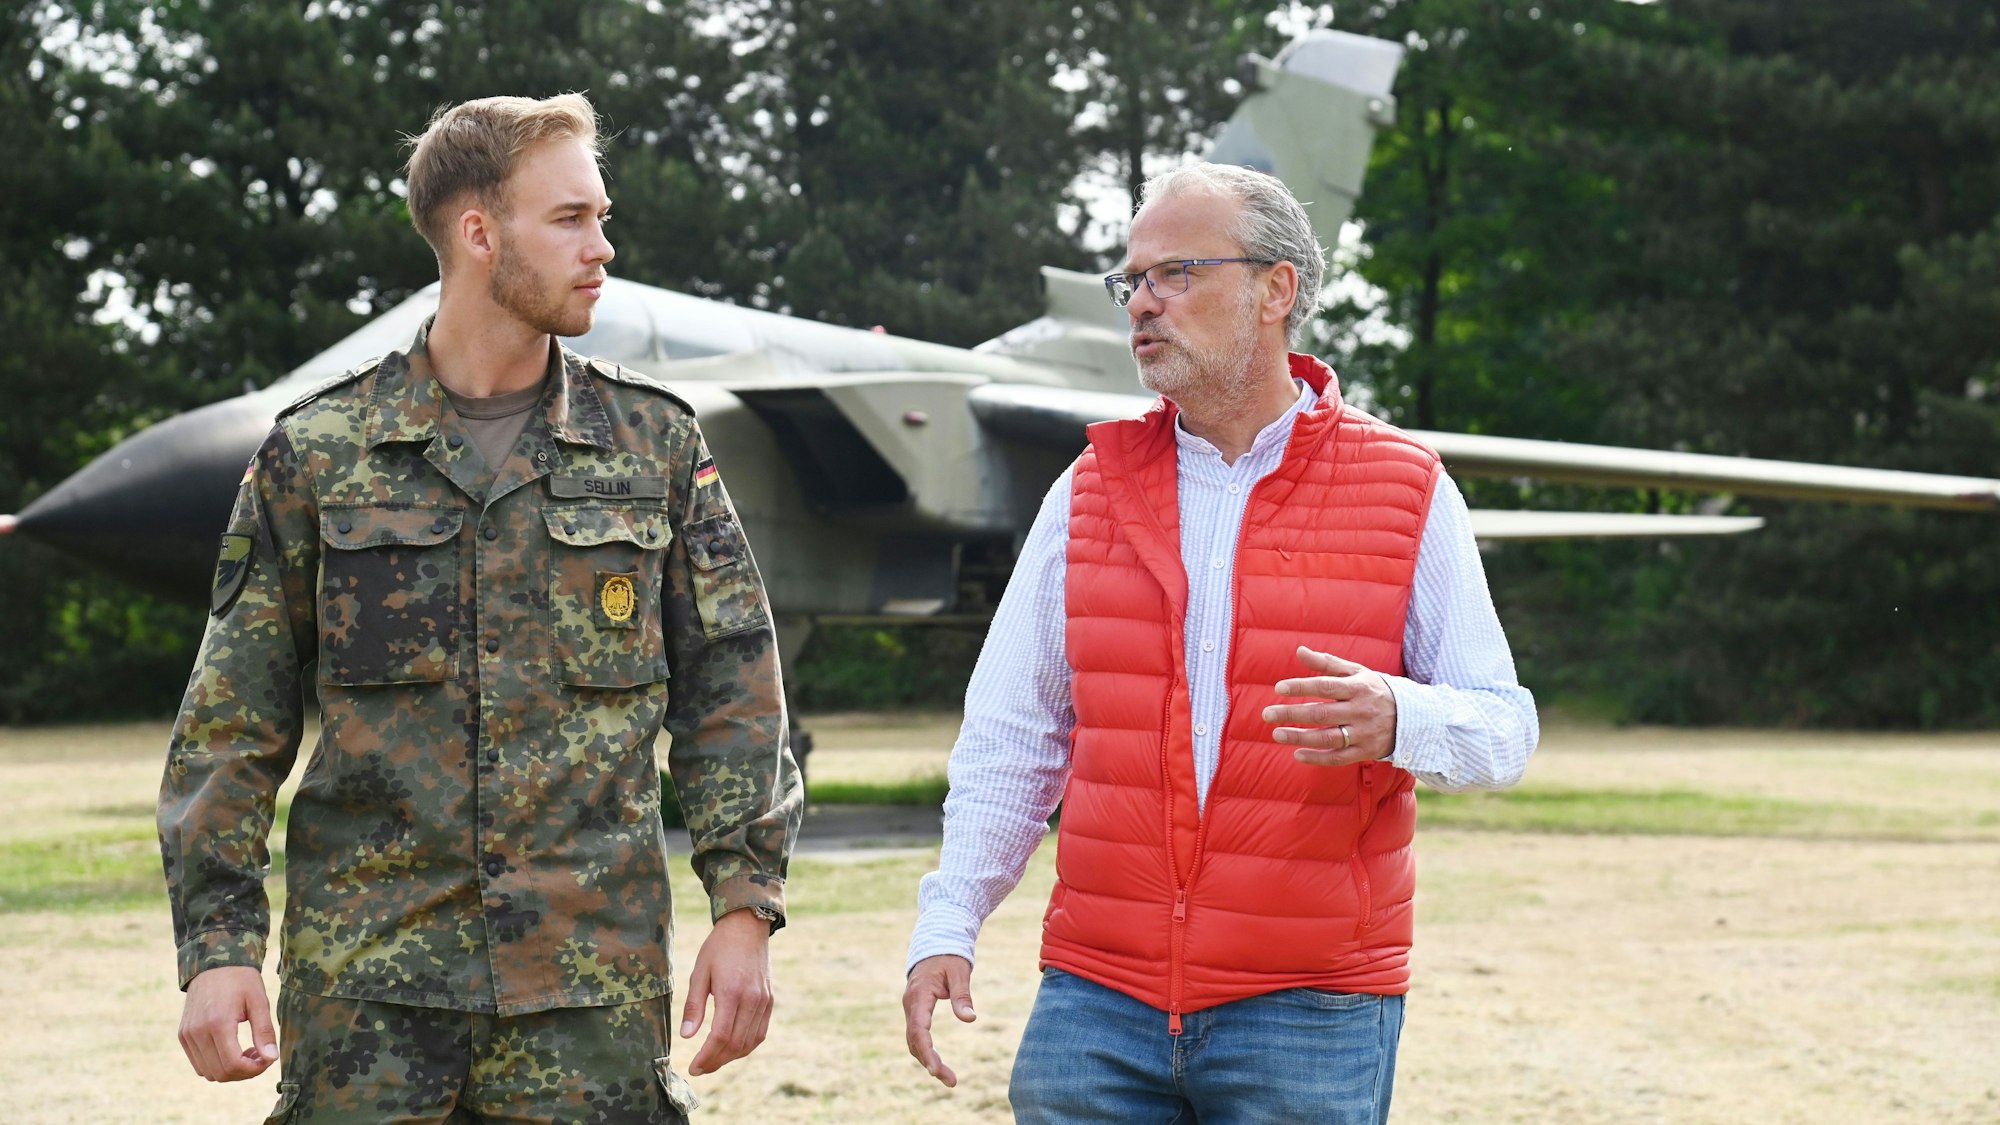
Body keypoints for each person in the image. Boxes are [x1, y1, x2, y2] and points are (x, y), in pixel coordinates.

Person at [159, 93, 801, 1124]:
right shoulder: (319, 454)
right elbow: (232, 726)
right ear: (476, 232)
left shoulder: (656, 446)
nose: (602, 247)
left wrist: (746, 909)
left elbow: (734, 692)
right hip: (368, 1000)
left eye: (600, 216)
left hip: (587, 999)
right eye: (569, 219)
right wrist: (217, 947)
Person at [901, 162, 1539, 1123]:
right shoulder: (1087, 488)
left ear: (1275, 290)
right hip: (1095, 1003)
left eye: (1176, 274)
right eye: (1133, 281)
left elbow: (1504, 729)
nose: (1141, 304)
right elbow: (1011, 733)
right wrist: (947, 920)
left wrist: (1401, 714)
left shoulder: (1408, 486)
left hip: (1310, 1007)